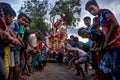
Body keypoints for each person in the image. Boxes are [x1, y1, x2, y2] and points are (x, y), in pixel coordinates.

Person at [85, 0, 120, 80]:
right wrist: (101, 46)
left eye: (92, 8)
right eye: (89, 11)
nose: (92, 12)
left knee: (116, 70)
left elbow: (114, 24)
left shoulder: (105, 12)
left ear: (96, 5)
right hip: (110, 46)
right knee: (104, 67)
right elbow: (104, 34)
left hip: (117, 45)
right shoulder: (100, 19)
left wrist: (106, 42)